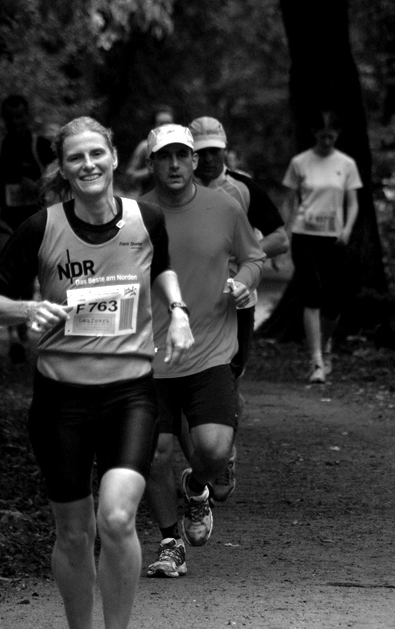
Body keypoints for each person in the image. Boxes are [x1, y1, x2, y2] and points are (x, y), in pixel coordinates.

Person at [0, 116, 193, 629]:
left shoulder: (146, 218)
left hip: (130, 394)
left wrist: (177, 310)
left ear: (116, 157)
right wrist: (28, 308)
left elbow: (163, 267)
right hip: (61, 401)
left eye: (97, 153)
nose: (89, 165)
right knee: (74, 533)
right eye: (76, 157)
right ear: (64, 168)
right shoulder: (41, 228)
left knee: (118, 517)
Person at [137, 124, 265, 578]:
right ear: (151, 164)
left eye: (181, 156)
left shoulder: (225, 207)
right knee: (155, 454)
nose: (173, 164)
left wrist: (243, 284)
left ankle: (195, 489)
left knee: (212, 451)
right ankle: (171, 542)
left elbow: (254, 257)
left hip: (210, 350)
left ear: (194, 161)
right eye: (163, 157)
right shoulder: (135, 214)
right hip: (150, 355)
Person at [189, 115, 290, 501]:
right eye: (201, 153)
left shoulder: (243, 188)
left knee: (226, 382)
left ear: (225, 150)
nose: (209, 159)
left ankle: (222, 455)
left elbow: (280, 237)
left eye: (215, 151)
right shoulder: (177, 188)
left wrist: (246, 253)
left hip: (235, 302)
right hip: (187, 299)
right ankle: (203, 460)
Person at [281, 110, 363, 384]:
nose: (327, 140)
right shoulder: (300, 162)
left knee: (333, 302)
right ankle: (316, 361)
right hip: (305, 235)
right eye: (322, 135)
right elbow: (289, 200)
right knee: (312, 294)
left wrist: (348, 228)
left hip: (334, 238)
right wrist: (285, 232)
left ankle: (326, 346)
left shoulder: (346, 164)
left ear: (337, 135)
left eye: (332, 135)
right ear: (314, 133)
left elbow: (353, 202)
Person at [0, 94, 56, 363]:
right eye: (10, 117)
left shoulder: (41, 146)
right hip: (4, 219)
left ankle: (23, 326)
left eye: (20, 116)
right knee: (7, 273)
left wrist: (37, 187)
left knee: (26, 279)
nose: (15, 122)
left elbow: (54, 177)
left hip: (33, 219)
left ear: (27, 116)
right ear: (4, 119)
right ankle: (13, 337)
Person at [124, 106, 175, 197]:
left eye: (168, 123)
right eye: (161, 123)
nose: (165, 127)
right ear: (154, 126)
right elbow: (130, 176)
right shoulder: (145, 147)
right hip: (148, 203)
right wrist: (150, 171)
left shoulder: (181, 148)